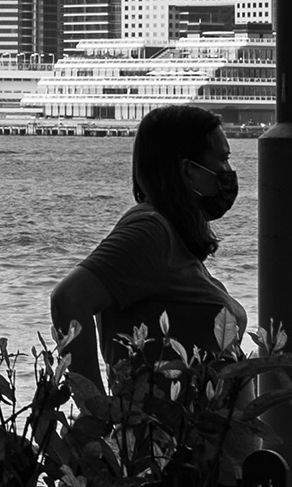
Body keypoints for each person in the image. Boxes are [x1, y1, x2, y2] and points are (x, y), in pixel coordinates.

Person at [49, 101, 247, 391]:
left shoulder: (171, 234)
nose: (228, 171)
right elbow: (68, 299)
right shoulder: (151, 230)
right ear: (188, 170)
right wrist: (95, 408)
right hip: (166, 421)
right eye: (222, 159)